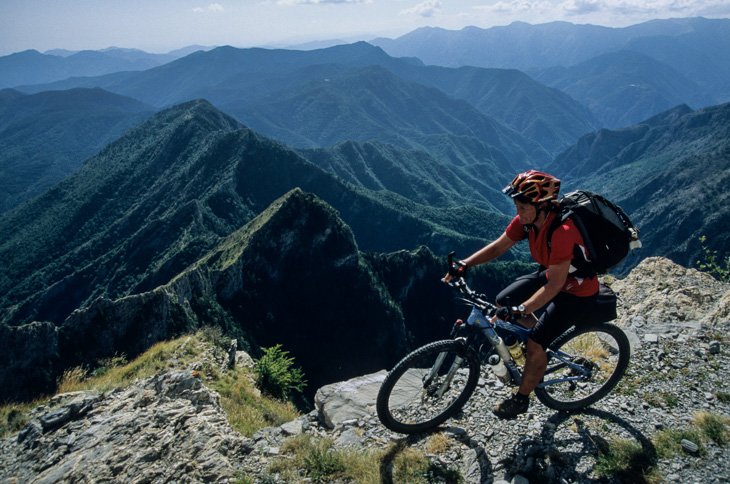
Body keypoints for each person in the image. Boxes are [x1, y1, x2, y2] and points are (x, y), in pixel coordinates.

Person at [444, 170, 599, 419]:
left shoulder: (563, 231)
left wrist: (523, 309)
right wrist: (465, 264)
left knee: (536, 341)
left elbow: (555, 286)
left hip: (577, 291)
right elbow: (499, 246)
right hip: (553, 275)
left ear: (541, 205)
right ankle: (540, 348)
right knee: (503, 302)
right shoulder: (528, 222)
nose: (518, 212)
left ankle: (521, 399)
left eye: (522, 207)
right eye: (516, 206)